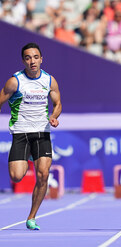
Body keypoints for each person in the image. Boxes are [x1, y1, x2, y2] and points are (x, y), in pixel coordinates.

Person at [0, 43, 62, 230]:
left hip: (42, 132)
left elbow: (58, 103)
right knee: (17, 176)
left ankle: (32, 217)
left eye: (35, 57)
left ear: (41, 59)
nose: (32, 61)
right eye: (28, 58)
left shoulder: (49, 80)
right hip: (21, 133)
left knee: (43, 176)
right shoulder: (15, 81)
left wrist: (54, 116)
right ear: (23, 61)